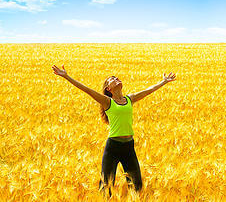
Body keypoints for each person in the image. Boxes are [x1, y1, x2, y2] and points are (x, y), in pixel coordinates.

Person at [51, 64, 176, 197]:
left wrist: (163, 82)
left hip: (129, 145)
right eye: (112, 78)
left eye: (117, 77)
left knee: (136, 184)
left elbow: (147, 91)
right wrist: (66, 76)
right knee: (106, 185)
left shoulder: (129, 99)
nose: (116, 78)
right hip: (113, 147)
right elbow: (87, 90)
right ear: (108, 88)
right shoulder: (107, 102)